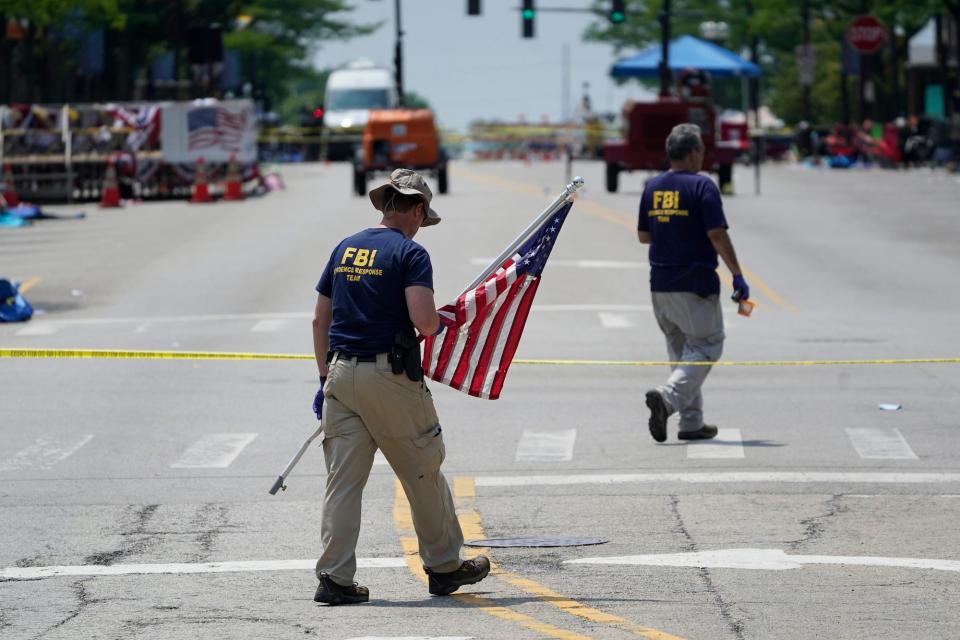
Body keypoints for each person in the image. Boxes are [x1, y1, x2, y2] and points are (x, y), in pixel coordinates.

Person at [311, 168, 490, 605]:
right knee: (423, 471)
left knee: (343, 482)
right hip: (389, 379)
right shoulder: (410, 254)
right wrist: (445, 318)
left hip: (341, 374)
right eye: (422, 216)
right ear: (415, 209)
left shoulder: (345, 246)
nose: (420, 225)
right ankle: (445, 566)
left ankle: (334, 578)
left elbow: (320, 319)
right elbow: (424, 322)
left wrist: (322, 380)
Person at [637, 123, 749, 442]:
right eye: (700, 151)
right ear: (692, 153)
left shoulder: (653, 187)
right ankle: (668, 399)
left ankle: (691, 423)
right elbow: (717, 233)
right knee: (707, 343)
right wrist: (737, 275)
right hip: (695, 282)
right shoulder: (703, 187)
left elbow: (644, 235)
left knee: (682, 353)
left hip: (660, 285)